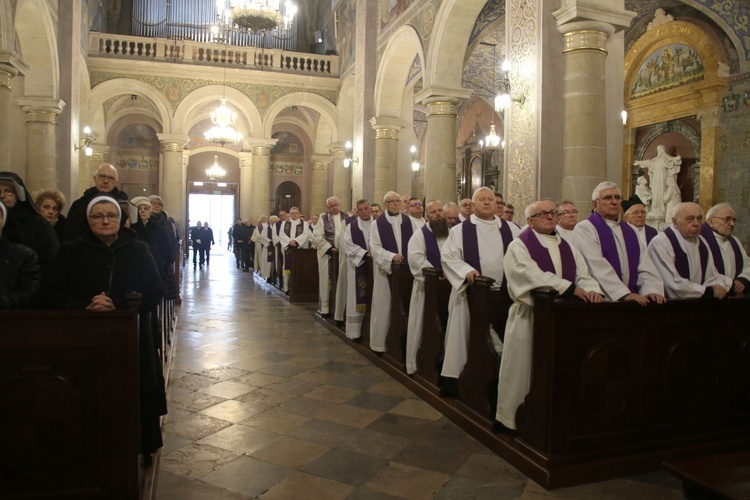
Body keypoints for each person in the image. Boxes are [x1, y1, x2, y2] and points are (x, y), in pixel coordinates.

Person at [46, 195, 166, 460]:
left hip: (132, 333)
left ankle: (139, 445)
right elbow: (53, 292)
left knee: (133, 390)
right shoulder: (70, 251)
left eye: (111, 215)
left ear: (122, 219)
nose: (105, 221)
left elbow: (155, 289)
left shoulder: (138, 249)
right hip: (84, 336)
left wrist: (120, 305)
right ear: (88, 220)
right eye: (97, 216)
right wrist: (85, 305)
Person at [496, 199, 602, 430]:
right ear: (530, 220)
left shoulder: (567, 245)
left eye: (552, 213)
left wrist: (592, 290)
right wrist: (570, 288)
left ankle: (553, 422)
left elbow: (583, 274)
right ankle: (513, 418)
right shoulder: (519, 246)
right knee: (523, 370)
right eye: (543, 214)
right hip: (531, 316)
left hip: (562, 318)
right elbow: (528, 275)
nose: (550, 217)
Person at [440, 187, 520, 383]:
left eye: (490, 199)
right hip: (470, 293)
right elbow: (448, 257)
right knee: (465, 339)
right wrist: (466, 271)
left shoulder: (512, 229)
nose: (486, 202)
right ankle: (462, 379)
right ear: (473, 205)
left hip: (505, 296)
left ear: (496, 204)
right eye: (482, 199)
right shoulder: (459, 231)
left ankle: (500, 379)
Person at [572, 181, 665, 306]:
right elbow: (596, 265)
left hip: (633, 300)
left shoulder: (630, 230)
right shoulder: (585, 228)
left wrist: (651, 289)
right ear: (595, 203)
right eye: (607, 198)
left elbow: (644, 265)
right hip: (601, 301)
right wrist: (623, 293)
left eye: (617, 197)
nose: (614, 201)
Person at [647, 202, 731, 299]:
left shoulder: (702, 242)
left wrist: (717, 287)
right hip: (671, 306)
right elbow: (672, 284)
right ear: (675, 222)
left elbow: (711, 275)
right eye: (690, 219)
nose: (696, 223)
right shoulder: (661, 243)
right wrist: (706, 291)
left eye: (699, 218)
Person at [405, 200, 449, 374]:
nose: (438, 214)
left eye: (440, 210)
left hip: (450, 288)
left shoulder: (451, 233)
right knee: (423, 324)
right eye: (433, 212)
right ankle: (418, 362)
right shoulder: (419, 236)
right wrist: (437, 274)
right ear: (427, 216)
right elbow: (416, 260)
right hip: (427, 289)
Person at [369, 191, 414, 352]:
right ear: (385, 204)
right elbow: (374, 247)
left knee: (404, 305)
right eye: (391, 201)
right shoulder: (377, 224)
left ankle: (402, 344)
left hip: (406, 271)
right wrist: (391, 257)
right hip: (385, 271)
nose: (395, 204)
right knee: (384, 306)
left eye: (397, 201)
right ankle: (380, 344)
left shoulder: (408, 222)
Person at [0, 172, 59, 283]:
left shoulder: (38, 225)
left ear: (18, 194)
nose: (2, 195)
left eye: (8, 191)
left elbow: (50, 264)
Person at [64, 163, 128, 241]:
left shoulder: (125, 205)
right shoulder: (79, 205)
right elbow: (70, 235)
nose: (106, 181)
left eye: (111, 178)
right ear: (95, 179)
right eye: (102, 176)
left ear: (116, 182)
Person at [701, 203, 750, 296]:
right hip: (711, 298)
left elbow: (747, 265)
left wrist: (742, 280)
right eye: (727, 219)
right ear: (710, 221)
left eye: (733, 220)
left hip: (734, 297)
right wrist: (729, 284)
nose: (732, 224)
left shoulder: (734, 241)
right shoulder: (700, 240)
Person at [0, 201, 41, 309]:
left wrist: (4, 300)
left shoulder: (24, 255)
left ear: (3, 221)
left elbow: (31, 292)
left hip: (10, 319)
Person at [342, 199, 374, 340]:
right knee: (356, 297)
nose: (364, 212)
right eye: (360, 210)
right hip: (358, 267)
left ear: (370, 208)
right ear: (356, 211)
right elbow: (347, 245)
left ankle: (373, 332)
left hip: (377, 268)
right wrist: (365, 253)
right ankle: (355, 332)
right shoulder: (351, 227)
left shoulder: (378, 224)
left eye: (366, 208)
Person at [312, 197, 348, 318]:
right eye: (331, 206)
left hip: (344, 255)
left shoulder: (347, 217)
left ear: (340, 204)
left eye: (336, 205)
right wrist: (329, 248)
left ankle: (341, 308)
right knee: (327, 281)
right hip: (328, 256)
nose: (334, 207)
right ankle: (326, 308)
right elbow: (317, 236)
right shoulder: (323, 218)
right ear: (328, 207)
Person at [633, 145, 682, 219]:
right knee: (655, 193)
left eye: (660, 149)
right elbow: (648, 162)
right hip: (655, 179)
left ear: (663, 150)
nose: (659, 151)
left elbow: (673, 160)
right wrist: (639, 162)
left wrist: (676, 159)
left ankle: (661, 210)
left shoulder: (666, 158)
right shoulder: (655, 160)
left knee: (661, 192)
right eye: (658, 149)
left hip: (663, 178)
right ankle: (655, 209)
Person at [277, 207, 309, 292]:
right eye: (292, 213)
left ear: (299, 214)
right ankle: (287, 287)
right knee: (287, 269)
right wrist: (289, 242)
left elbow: (306, 235)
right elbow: (282, 235)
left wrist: (296, 241)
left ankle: (298, 288)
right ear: (290, 214)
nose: (294, 214)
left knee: (299, 268)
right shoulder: (284, 223)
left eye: (296, 213)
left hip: (299, 249)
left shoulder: (305, 224)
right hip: (288, 249)